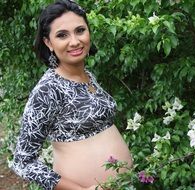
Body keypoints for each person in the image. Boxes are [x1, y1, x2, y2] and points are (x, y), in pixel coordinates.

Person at [11, 0, 133, 189]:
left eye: (80, 30)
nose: (75, 41)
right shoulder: (48, 90)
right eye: (62, 35)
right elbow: (23, 162)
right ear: (48, 42)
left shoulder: (89, 76)